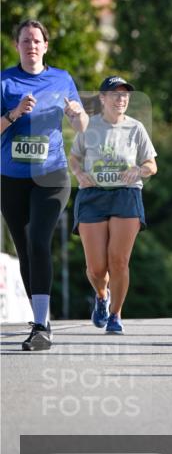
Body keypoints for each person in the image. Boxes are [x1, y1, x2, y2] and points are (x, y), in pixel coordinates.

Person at [1, 19, 88, 351]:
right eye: (25, 41)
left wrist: (77, 113)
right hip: (11, 177)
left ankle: (40, 326)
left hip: (51, 175)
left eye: (37, 40)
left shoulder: (61, 79)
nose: (31, 45)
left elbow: (81, 126)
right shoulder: (5, 81)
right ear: (17, 46)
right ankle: (42, 320)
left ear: (46, 46)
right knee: (25, 250)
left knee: (39, 239)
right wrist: (14, 113)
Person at [70, 76, 157, 334]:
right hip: (93, 196)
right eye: (115, 94)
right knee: (96, 267)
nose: (121, 99)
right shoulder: (90, 127)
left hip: (125, 195)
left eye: (125, 95)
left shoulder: (136, 128)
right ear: (102, 98)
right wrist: (79, 174)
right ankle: (101, 295)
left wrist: (139, 170)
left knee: (118, 260)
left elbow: (152, 165)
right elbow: (74, 157)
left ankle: (116, 315)